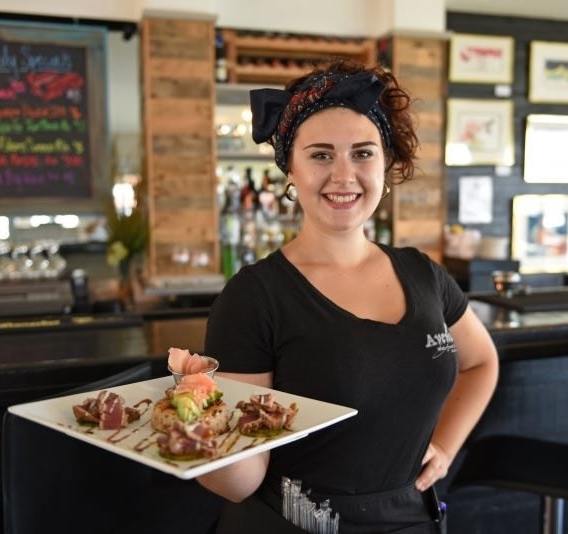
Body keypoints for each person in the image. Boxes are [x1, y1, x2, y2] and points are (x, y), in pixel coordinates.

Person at [199, 58, 499, 533]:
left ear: (386, 162)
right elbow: (241, 482)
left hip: (410, 519)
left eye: (363, 153)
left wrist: (446, 445)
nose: (344, 176)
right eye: (320, 155)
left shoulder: (423, 274)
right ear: (289, 170)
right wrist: (201, 428)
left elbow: (482, 362)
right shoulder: (254, 296)